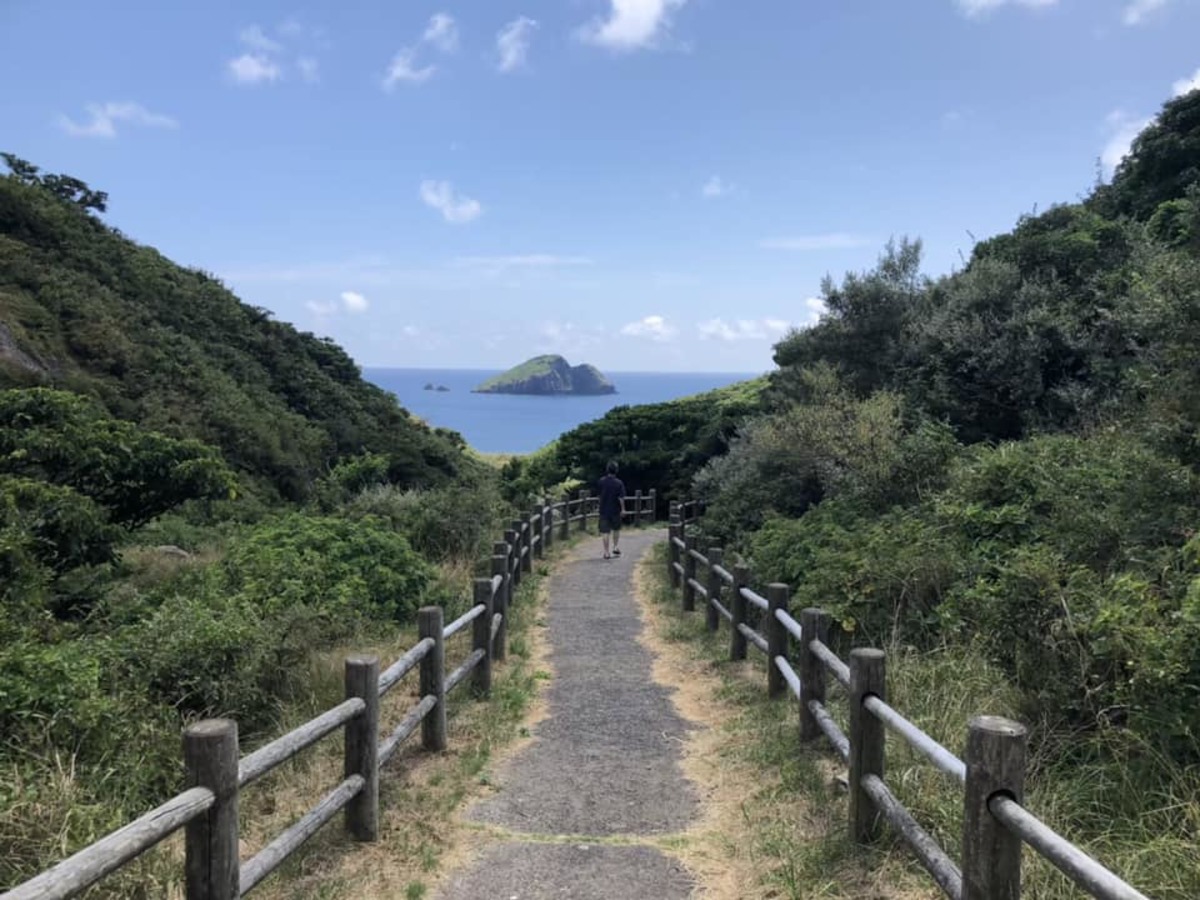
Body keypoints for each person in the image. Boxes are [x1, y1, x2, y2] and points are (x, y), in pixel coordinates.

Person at [597, 460, 626, 560]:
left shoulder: (601, 481)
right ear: (616, 470)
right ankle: (615, 547)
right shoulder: (619, 483)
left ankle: (606, 552)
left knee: (605, 532)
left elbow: (599, 496)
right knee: (616, 529)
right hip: (615, 510)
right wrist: (623, 509)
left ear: (607, 470)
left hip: (604, 510)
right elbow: (620, 498)